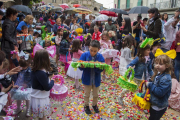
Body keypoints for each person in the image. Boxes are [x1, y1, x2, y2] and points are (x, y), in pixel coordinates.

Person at [79, 40, 105, 114]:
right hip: (87, 79)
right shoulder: (84, 55)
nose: (92, 52)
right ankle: (86, 106)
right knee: (87, 94)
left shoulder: (100, 56)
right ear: (88, 47)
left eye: (95, 51)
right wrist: (82, 66)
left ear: (98, 50)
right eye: (91, 50)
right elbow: (79, 66)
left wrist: (96, 67)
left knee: (96, 94)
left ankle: (94, 105)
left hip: (96, 79)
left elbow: (102, 68)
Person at [145, 52, 173, 120]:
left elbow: (160, 92)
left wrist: (150, 84)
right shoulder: (159, 74)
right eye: (156, 63)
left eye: (160, 64)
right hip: (154, 104)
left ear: (167, 65)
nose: (157, 65)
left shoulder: (166, 79)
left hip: (158, 106)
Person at [31, 49, 54, 120]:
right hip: (40, 98)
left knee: (40, 116)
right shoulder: (41, 73)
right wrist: (52, 81)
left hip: (36, 96)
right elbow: (47, 87)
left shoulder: (35, 70)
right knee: (43, 117)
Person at [10, 51, 32, 116]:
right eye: (20, 66)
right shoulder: (20, 66)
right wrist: (14, 55)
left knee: (27, 98)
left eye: (23, 67)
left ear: (28, 64)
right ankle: (18, 107)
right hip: (18, 84)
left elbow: (32, 80)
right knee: (18, 97)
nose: (21, 67)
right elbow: (14, 60)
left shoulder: (30, 71)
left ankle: (28, 109)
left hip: (26, 86)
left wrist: (27, 85)